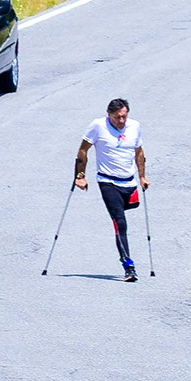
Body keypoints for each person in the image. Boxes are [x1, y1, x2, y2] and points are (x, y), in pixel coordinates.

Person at [74, 98, 148, 281]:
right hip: (107, 181)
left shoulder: (134, 126)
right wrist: (80, 176)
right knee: (119, 222)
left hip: (128, 182)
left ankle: (127, 260)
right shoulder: (98, 126)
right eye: (117, 118)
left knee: (130, 207)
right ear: (109, 115)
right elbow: (83, 150)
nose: (121, 121)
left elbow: (139, 152)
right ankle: (128, 265)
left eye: (124, 116)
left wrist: (142, 177)